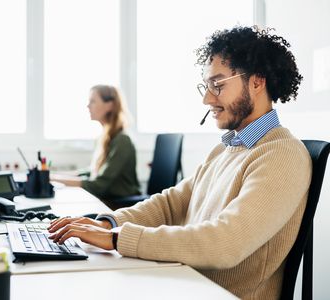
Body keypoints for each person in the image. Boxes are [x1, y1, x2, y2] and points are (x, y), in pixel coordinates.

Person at [48, 26, 312, 299]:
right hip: (187, 282)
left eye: (218, 85)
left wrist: (117, 238)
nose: (207, 98)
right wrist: (108, 222)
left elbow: (225, 243)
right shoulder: (227, 149)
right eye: (207, 86)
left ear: (257, 82)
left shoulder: (282, 155)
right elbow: (171, 204)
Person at [51, 85, 141, 200]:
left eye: (92, 101)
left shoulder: (122, 140)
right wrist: (55, 176)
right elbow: (92, 172)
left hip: (121, 204)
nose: (88, 106)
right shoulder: (104, 137)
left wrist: (54, 179)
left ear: (110, 105)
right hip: (108, 199)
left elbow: (98, 185)